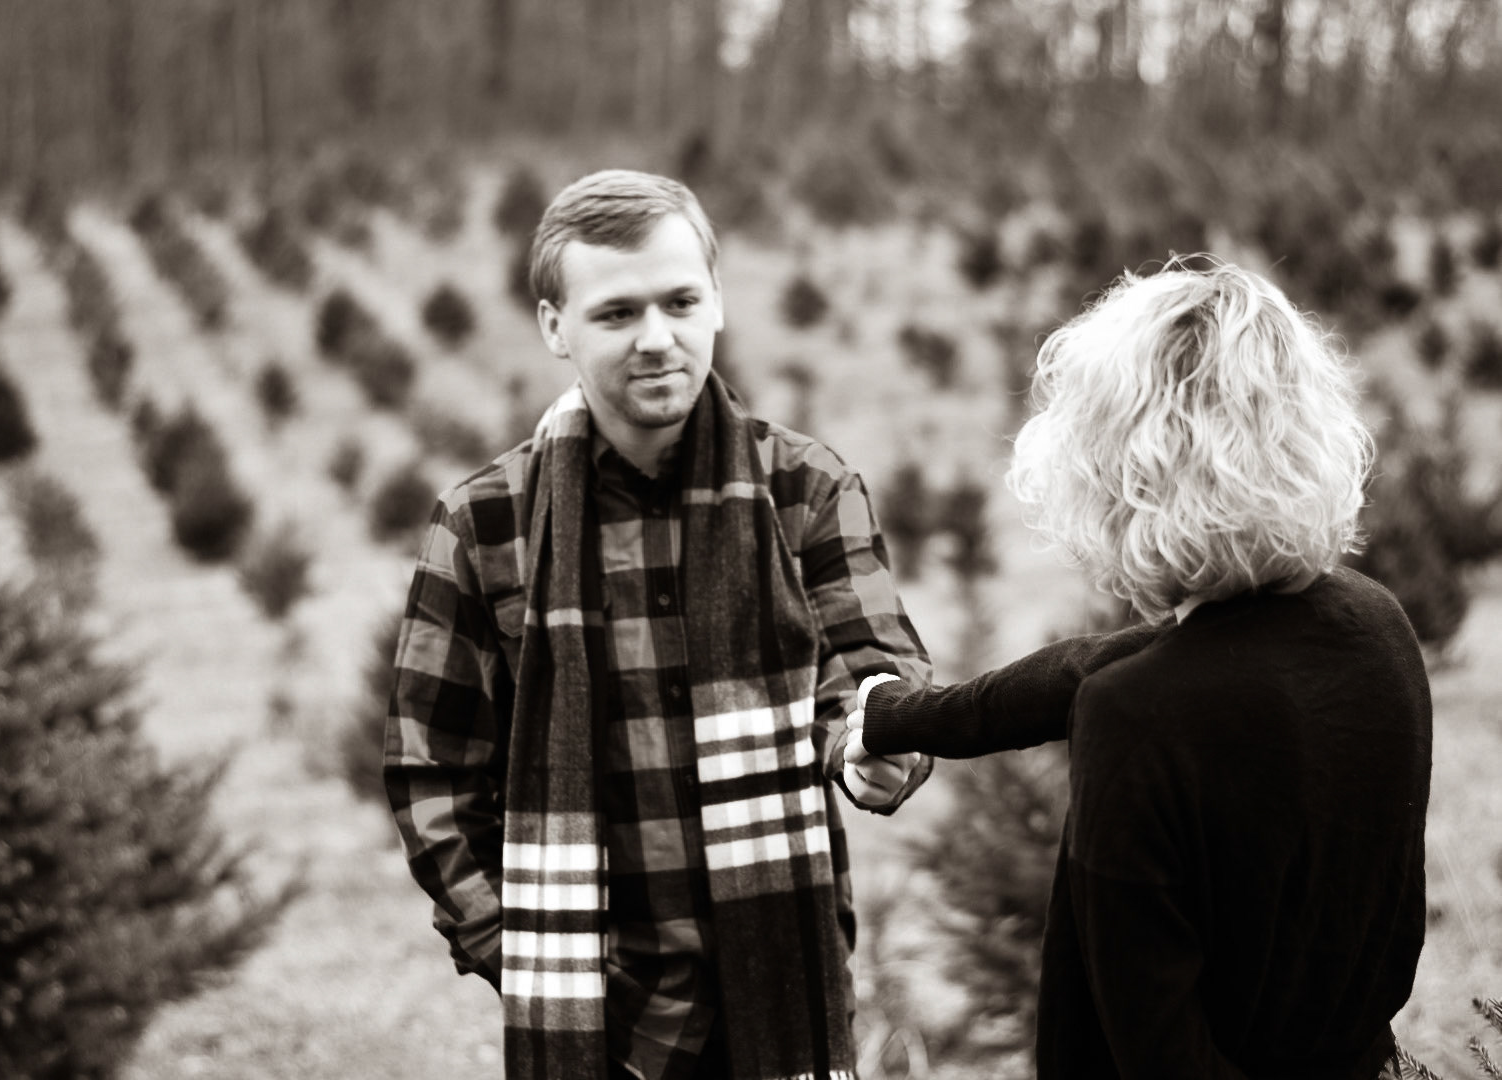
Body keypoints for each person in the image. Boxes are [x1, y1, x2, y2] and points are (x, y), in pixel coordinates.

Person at [384, 169, 935, 1080]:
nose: (656, 338)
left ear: (716, 299)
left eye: (680, 302)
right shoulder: (484, 525)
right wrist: (518, 951)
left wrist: (878, 745)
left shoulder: (805, 487)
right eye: (616, 313)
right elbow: (431, 773)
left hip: (785, 992)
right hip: (597, 1021)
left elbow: (875, 672)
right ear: (554, 326)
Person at [848, 258, 1432, 1079]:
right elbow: (1081, 668)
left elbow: (1160, 1054)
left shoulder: (1141, 713)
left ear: (1118, 475)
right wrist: (895, 716)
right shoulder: (1372, 623)